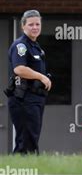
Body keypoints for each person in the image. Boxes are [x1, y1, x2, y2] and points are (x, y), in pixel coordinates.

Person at [5, 10, 51, 154]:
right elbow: (19, 69)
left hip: (35, 98)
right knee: (25, 141)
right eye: (31, 24)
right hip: (24, 99)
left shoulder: (35, 46)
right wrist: (41, 77)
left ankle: (32, 169)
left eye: (38, 24)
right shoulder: (21, 45)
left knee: (31, 139)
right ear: (23, 26)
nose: (35, 27)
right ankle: (21, 171)